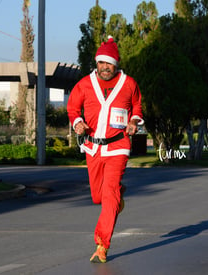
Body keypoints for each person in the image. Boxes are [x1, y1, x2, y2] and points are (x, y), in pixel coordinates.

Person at [67, 36, 144, 263]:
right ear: (97, 63)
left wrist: (134, 121)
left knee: (109, 192)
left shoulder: (128, 84)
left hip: (118, 146)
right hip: (93, 147)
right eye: (101, 62)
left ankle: (102, 244)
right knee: (98, 196)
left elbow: (137, 105)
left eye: (109, 63)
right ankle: (117, 198)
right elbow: (72, 108)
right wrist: (77, 122)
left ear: (116, 64)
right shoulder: (84, 84)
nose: (105, 67)